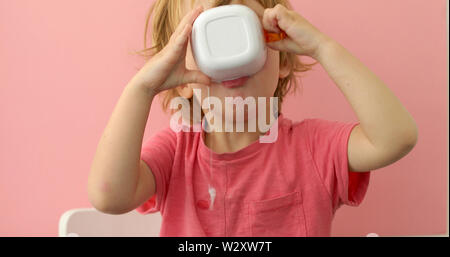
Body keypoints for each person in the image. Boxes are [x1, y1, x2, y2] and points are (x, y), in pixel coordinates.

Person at [88, 0, 418, 236]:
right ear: (179, 70)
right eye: (210, 36)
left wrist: (321, 47)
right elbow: (108, 196)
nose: (232, 54)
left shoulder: (313, 149)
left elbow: (395, 137)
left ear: (283, 59)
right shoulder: (175, 154)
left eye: (248, 30)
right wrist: (142, 88)